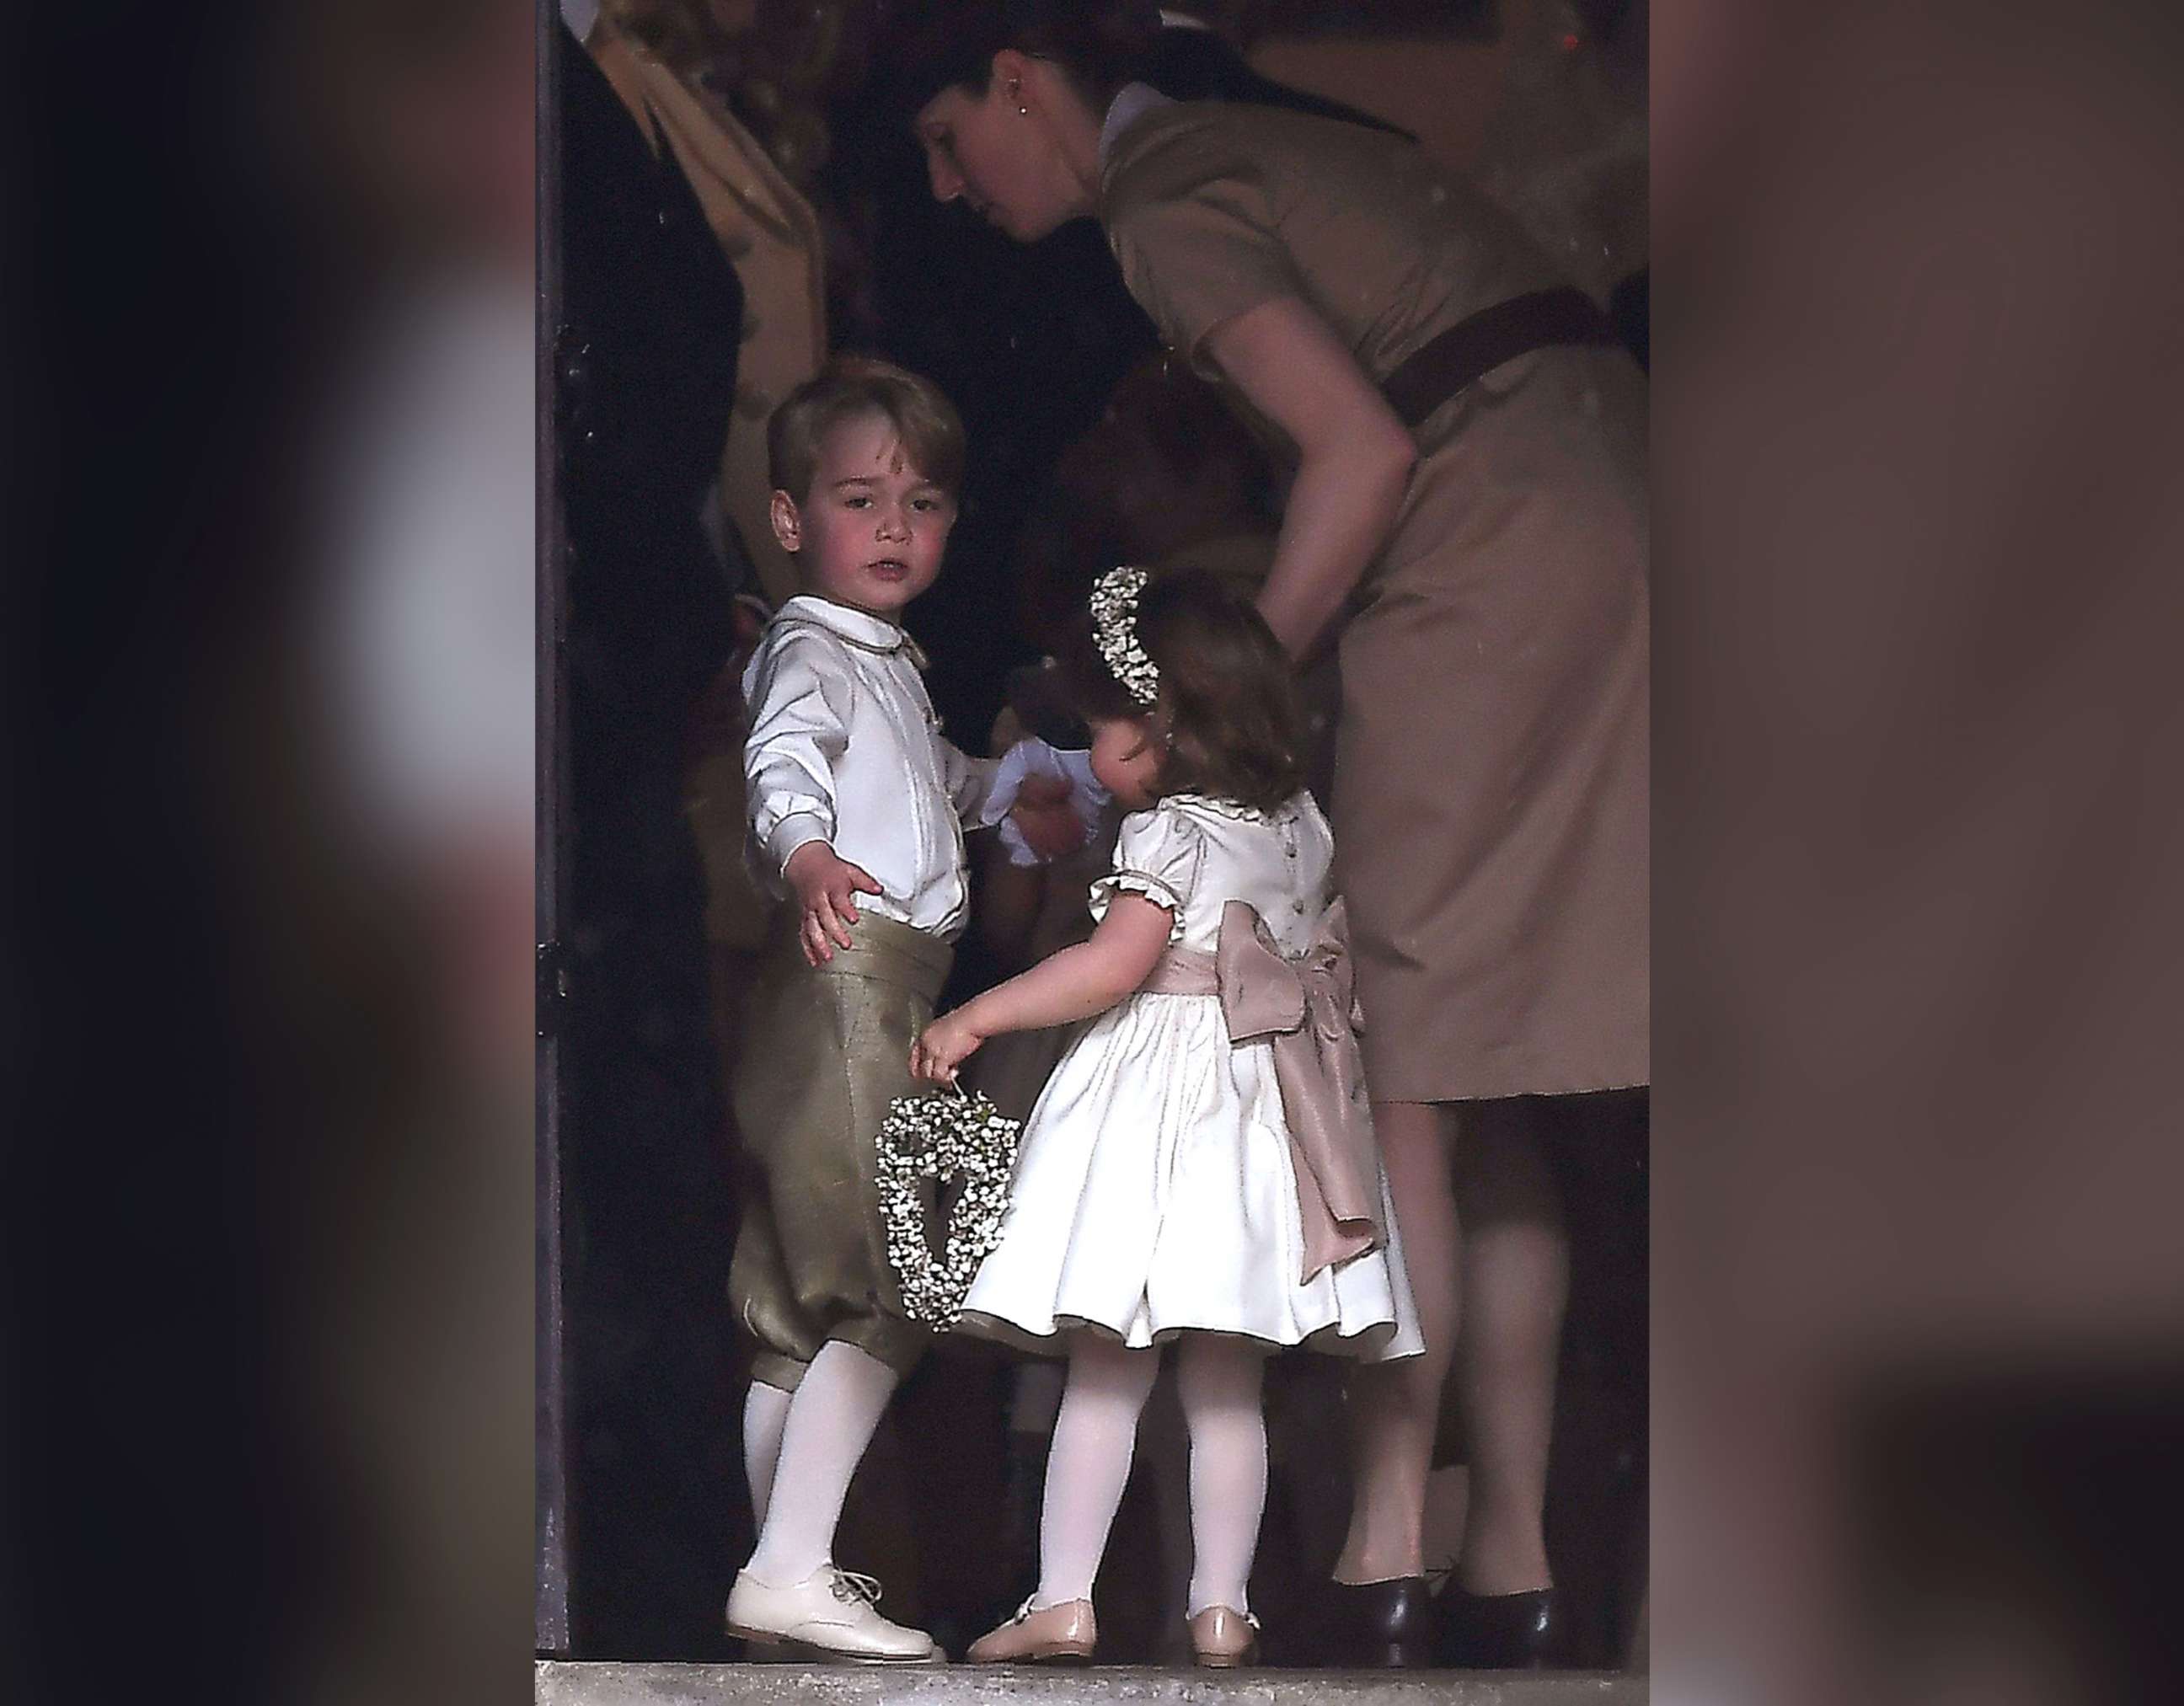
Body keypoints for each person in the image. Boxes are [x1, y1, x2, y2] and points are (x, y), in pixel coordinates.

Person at [884, 1, 1649, 1668]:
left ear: (1023, 79)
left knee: (1409, 1072)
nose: (949, 188)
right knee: (1504, 1059)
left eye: (951, 138)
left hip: (1486, 546)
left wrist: (1203, 712)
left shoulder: (1168, 185)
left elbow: (1361, 453)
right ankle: (1508, 1554)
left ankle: (1383, 1544)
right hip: (1604, 500)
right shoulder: (1282, 149)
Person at [910, 565, 1422, 1668]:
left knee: (1106, 1360)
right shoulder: (1302, 826)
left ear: (1163, 730)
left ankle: (1062, 1595)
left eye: (1101, 727)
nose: (1093, 753)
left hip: (1169, 1108)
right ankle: (1223, 1604)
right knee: (1228, 1380)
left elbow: (1112, 966)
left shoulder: (1173, 836)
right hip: (1267, 1116)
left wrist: (977, 1017)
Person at [723, 357, 1083, 1663]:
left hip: (851, 982)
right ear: (787, 520)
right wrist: (807, 854)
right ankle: (793, 1564)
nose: (891, 527)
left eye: (921, 502)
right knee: (895, 1281)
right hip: (854, 975)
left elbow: (925, 779)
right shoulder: (809, 648)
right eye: (859, 497)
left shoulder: (881, 657)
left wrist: (1006, 793)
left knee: (791, 1308)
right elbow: (787, 766)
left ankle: (783, 1565)